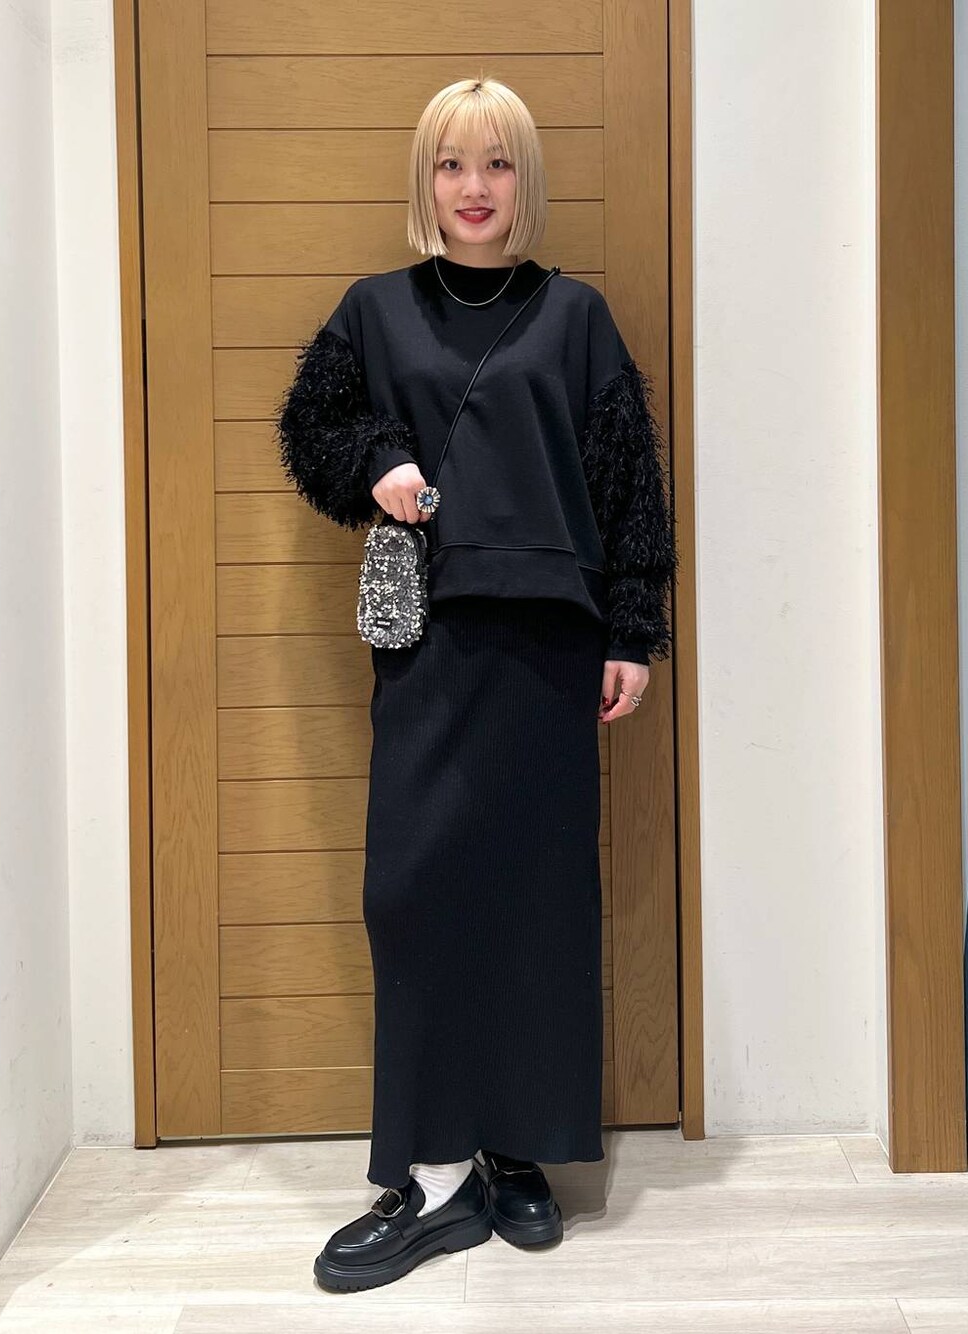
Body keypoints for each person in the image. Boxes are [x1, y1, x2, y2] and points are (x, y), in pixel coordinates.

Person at [275, 76, 678, 1293]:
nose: (474, 187)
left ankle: (517, 1153)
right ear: (426, 179)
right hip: (430, 644)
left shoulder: (577, 317)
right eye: (452, 163)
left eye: (497, 163)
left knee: (536, 903)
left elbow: (630, 487)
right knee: (413, 891)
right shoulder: (374, 309)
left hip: (551, 648)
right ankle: (432, 1169)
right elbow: (311, 429)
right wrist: (377, 461)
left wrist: (632, 631)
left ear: (523, 179)